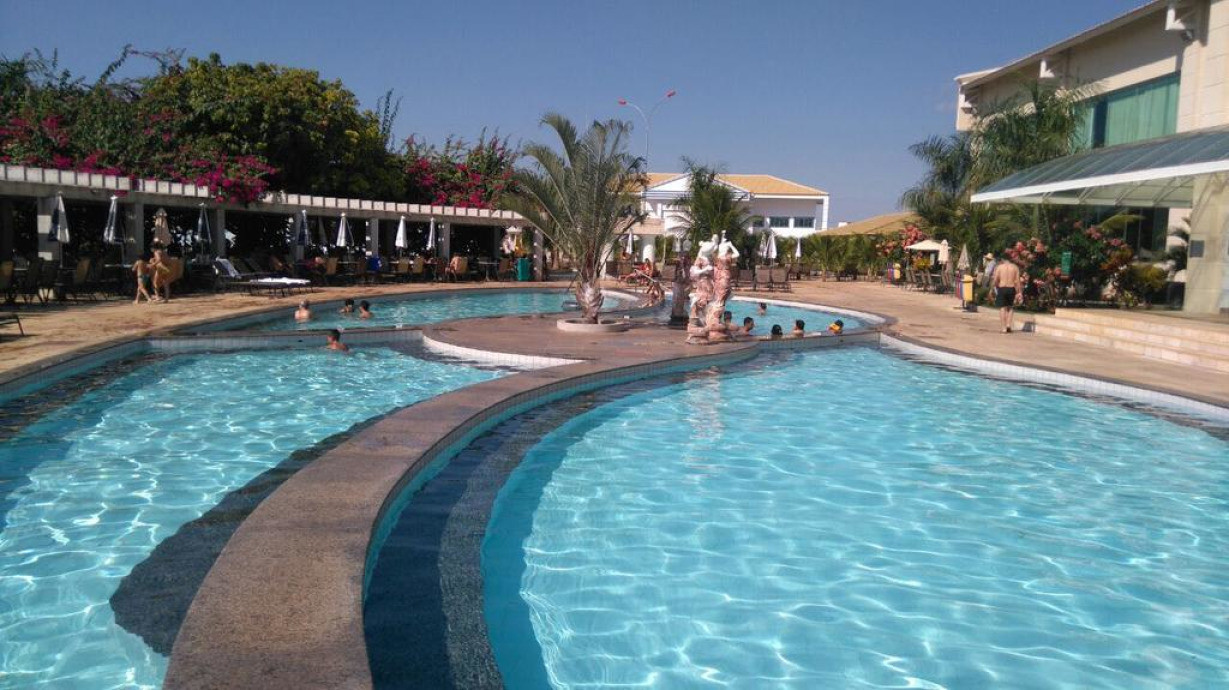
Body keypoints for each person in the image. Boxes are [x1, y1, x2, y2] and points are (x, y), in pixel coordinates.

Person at [990, 250, 1023, 333]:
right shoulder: (1015, 267)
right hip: (1011, 288)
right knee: (1010, 307)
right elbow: (1017, 281)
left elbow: (995, 279)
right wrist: (1019, 292)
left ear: (1003, 259)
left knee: (1002, 307)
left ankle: (1003, 328)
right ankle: (1008, 325)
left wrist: (992, 288)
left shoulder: (999, 267)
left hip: (1002, 288)